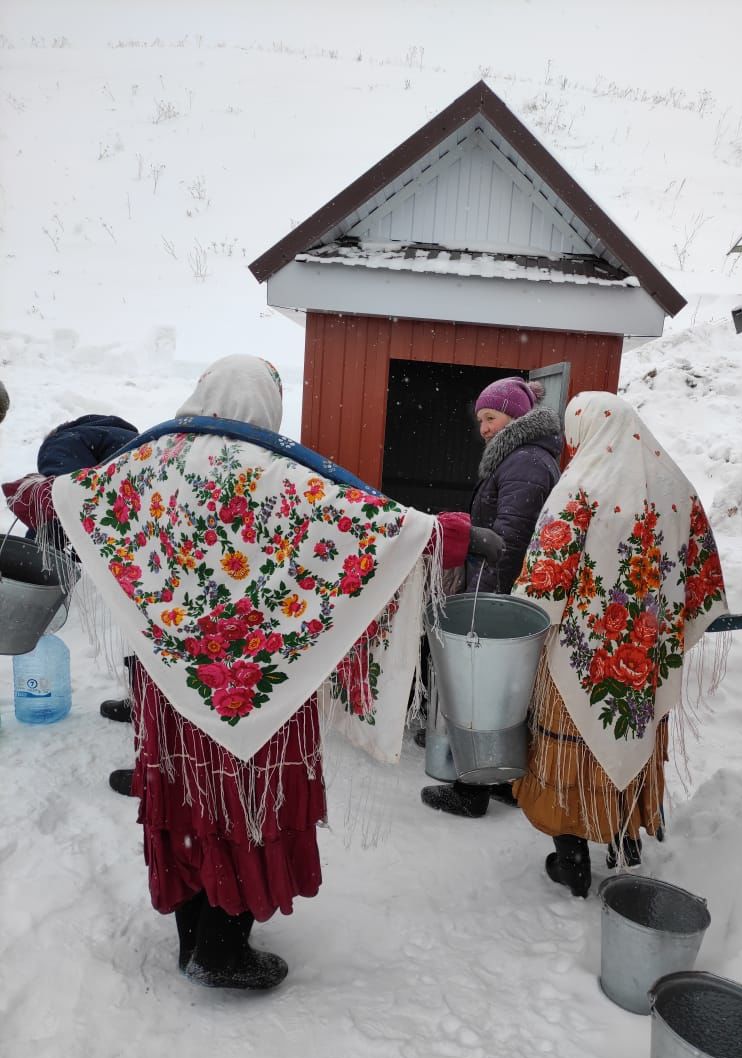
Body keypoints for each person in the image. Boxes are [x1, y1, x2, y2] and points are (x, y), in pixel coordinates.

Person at [49, 355, 473, 991]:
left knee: (187, 801)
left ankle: (193, 933)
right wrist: (458, 535)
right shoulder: (281, 475)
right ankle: (222, 948)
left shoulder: (150, 464)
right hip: (259, 689)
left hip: (173, 688)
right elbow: (373, 527)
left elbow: (67, 495)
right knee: (246, 804)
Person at [510, 391, 729, 897]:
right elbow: (700, 578)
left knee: (567, 749)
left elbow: (545, 581)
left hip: (578, 656)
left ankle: (572, 860)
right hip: (646, 662)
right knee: (634, 734)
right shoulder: (678, 486)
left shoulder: (581, 485)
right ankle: (625, 841)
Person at [420, 375, 563, 819]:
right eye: (481, 419)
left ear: (516, 416)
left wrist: (487, 597)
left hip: (498, 586)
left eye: (491, 416)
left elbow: (512, 537)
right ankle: (500, 778)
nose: (483, 427)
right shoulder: (518, 458)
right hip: (495, 583)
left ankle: (473, 789)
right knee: (502, 691)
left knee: (482, 688)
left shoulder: (526, 463)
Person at [2, 412, 141, 789]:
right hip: (143, 537)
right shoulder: (126, 444)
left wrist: (37, 553)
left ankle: (153, 720)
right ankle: (145, 703)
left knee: (149, 633)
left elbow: (68, 499)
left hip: (138, 540)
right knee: (143, 629)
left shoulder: (58, 448)